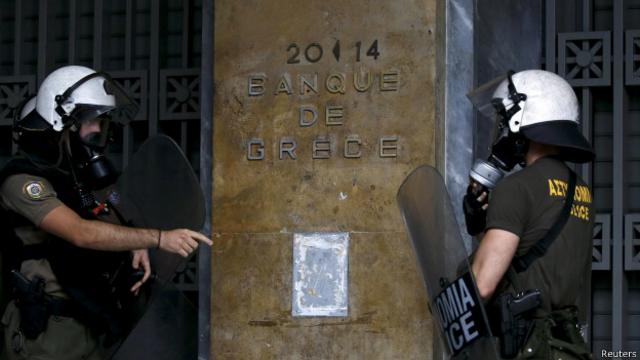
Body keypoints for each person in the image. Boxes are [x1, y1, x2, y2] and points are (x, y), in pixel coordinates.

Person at [0, 65, 212, 360]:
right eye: (92, 120)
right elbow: (80, 232)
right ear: (63, 121)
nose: (99, 129)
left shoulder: (74, 177)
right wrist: (159, 238)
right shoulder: (23, 181)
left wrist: (136, 241)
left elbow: (110, 210)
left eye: (102, 120)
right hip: (49, 331)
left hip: (92, 320)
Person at [463, 69, 595, 359]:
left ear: (523, 118)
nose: (502, 128)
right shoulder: (581, 190)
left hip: (527, 348)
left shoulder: (517, 187)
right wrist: (483, 225)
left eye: (504, 117)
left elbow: (483, 284)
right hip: (565, 346)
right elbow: (539, 259)